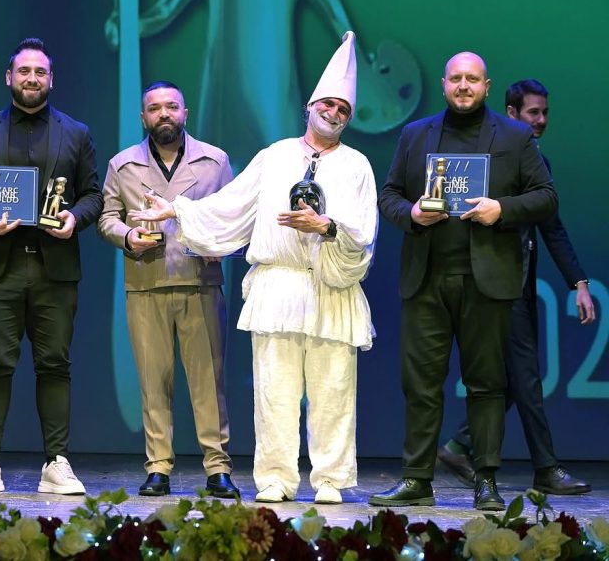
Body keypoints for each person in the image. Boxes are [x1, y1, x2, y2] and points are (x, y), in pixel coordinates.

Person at [132, 32, 377, 505]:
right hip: (278, 287)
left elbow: (364, 232)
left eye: (343, 109)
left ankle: (329, 479)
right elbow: (231, 206)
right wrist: (176, 210)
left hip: (332, 288)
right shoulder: (275, 156)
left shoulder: (357, 166)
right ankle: (276, 478)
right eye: (327, 104)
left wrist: (326, 226)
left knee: (333, 390)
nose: (333, 113)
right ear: (309, 106)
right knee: (274, 392)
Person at [372, 53, 558, 511]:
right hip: (426, 279)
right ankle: (417, 479)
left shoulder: (514, 136)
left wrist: (502, 209)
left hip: (487, 281)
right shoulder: (415, 134)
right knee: (420, 385)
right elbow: (389, 195)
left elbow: (546, 197)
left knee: (487, 383)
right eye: (455, 78)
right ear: (443, 84)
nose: (463, 85)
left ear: (487, 86)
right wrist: (412, 213)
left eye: (472, 79)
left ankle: (486, 481)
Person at [0, 38, 103, 495]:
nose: (31, 78)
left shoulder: (76, 133)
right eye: (24, 71)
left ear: (51, 79)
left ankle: (57, 463)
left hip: (55, 269)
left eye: (39, 72)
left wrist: (75, 218)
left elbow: (93, 195)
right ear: (9, 77)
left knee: (55, 364)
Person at [437, 79, 594, 495]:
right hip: (488, 285)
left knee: (513, 379)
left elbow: (551, 228)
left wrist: (578, 282)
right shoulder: (491, 160)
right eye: (532, 113)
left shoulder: (538, 163)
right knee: (523, 377)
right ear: (511, 113)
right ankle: (546, 468)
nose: (541, 121)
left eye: (545, 113)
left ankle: (458, 446)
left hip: (517, 286)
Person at [98, 80, 239, 498]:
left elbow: (233, 215)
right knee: (153, 381)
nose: (164, 114)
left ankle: (217, 466)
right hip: (147, 282)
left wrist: (220, 245)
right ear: (143, 117)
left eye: (172, 107)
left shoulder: (214, 161)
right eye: (155, 108)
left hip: (200, 283)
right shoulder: (123, 165)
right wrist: (127, 236)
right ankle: (158, 466)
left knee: (209, 381)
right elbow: (107, 217)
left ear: (185, 113)